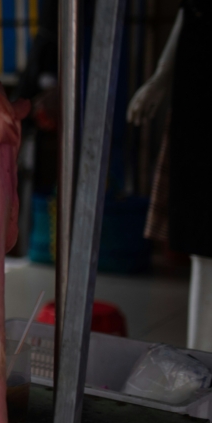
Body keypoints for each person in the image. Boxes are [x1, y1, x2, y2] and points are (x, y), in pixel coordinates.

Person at [128, 2, 212, 352]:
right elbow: (193, 10)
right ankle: (201, 363)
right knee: (202, 245)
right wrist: (162, 74)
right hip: (199, 97)